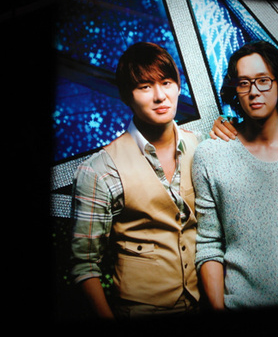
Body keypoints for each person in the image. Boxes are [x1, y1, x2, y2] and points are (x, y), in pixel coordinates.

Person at [193, 41, 278, 310]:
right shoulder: (210, 154)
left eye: (263, 80)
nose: (254, 91)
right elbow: (208, 243)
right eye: (244, 83)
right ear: (235, 90)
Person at [70, 42, 203, 320]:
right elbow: (85, 265)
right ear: (126, 96)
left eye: (166, 83)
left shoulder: (201, 147)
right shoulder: (100, 169)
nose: (160, 96)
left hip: (202, 301)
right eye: (145, 87)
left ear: (178, 86)